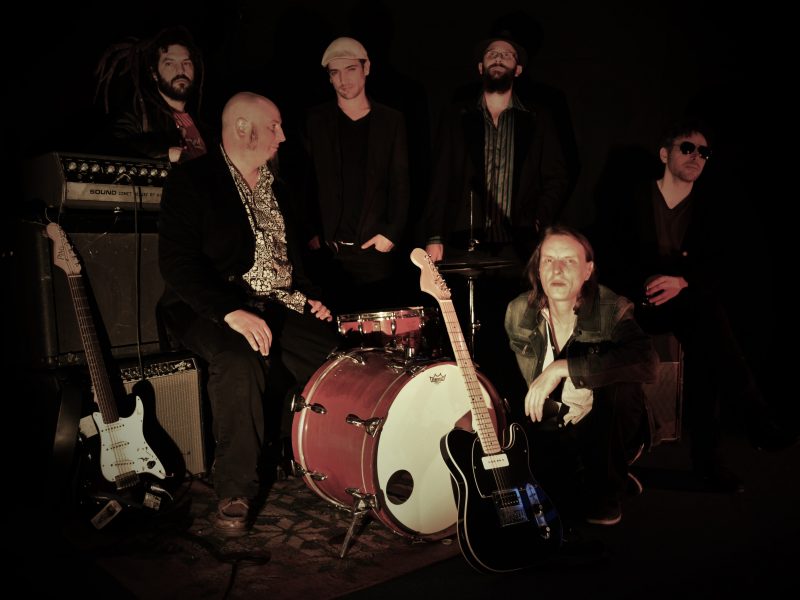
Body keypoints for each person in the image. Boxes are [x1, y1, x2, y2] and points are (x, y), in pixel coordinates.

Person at [157, 92, 339, 534]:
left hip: (276, 303)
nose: (283, 135)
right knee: (239, 359)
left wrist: (311, 298)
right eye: (274, 125)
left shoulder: (281, 189)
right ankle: (235, 489)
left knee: (338, 360)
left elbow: (292, 264)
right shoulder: (193, 181)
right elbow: (178, 264)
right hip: (208, 306)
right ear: (242, 128)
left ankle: (336, 466)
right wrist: (230, 312)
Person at [595, 118, 797, 493]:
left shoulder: (711, 208)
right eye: (687, 148)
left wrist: (683, 282)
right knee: (709, 325)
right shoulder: (632, 199)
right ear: (664, 154)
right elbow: (608, 256)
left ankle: (711, 462)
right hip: (634, 302)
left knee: (708, 338)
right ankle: (757, 421)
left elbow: (726, 266)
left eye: (704, 152)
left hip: (686, 304)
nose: (696, 157)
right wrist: (648, 281)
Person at [423, 32, 570, 401]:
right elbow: (440, 176)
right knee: (465, 331)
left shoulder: (538, 117)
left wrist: (538, 222)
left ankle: (513, 406)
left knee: (515, 330)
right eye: (492, 54)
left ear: (517, 69)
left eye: (506, 54)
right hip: (464, 239)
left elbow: (558, 176)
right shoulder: (458, 114)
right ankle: (469, 405)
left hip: (518, 244)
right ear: (480, 67)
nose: (499, 58)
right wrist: (435, 235)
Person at [505, 226, 658, 526]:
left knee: (621, 383)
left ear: (588, 270)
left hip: (604, 426)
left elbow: (646, 361)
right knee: (549, 505)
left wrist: (564, 368)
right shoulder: (518, 311)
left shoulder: (610, 308)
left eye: (569, 261)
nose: (557, 269)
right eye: (549, 260)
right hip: (551, 425)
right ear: (538, 269)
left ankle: (608, 487)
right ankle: (597, 474)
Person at [301, 36, 411, 314]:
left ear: (366, 68)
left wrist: (390, 232)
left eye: (350, 69)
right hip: (328, 251)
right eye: (335, 73)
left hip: (373, 249)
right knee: (331, 327)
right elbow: (303, 179)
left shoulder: (390, 120)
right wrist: (310, 232)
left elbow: (401, 181)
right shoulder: (315, 120)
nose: (343, 80)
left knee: (376, 325)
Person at [95, 25, 210, 163]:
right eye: (169, 63)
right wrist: (167, 152)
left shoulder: (204, 121)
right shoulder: (138, 114)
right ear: (154, 74)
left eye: (186, 63)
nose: (180, 70)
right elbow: (111, 145)